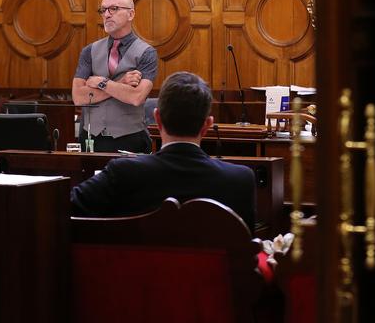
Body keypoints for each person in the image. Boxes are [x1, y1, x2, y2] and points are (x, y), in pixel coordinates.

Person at [70, 71, 257, 233]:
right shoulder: (240, 181)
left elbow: (65, 207)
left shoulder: (123, 173)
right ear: (207, 125)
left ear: (157, 119)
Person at [71, 0, 158, 154]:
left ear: (131, 14)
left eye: (114, 9)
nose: (107, 15)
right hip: (91, 138)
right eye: (103, 10)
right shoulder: (89, 51)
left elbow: (135, 97)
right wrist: (120, 84)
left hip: (130, 139)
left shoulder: (147, 53)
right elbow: (79, 97)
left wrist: (100, 83)